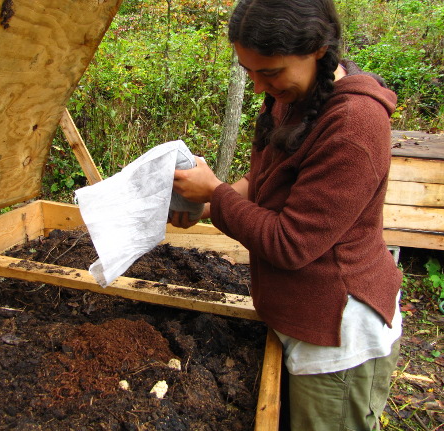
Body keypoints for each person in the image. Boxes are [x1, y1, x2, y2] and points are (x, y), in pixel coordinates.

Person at [169, 0, 402, 429]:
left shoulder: (355, 124)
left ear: (315, 47)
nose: (258, 86)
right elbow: (266, 181)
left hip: (335, 335)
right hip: (298, 316)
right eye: (249, 71)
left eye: (270, 72)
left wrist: (217, 194)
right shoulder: (294, 95)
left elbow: (291, 244)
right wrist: (206, 206)